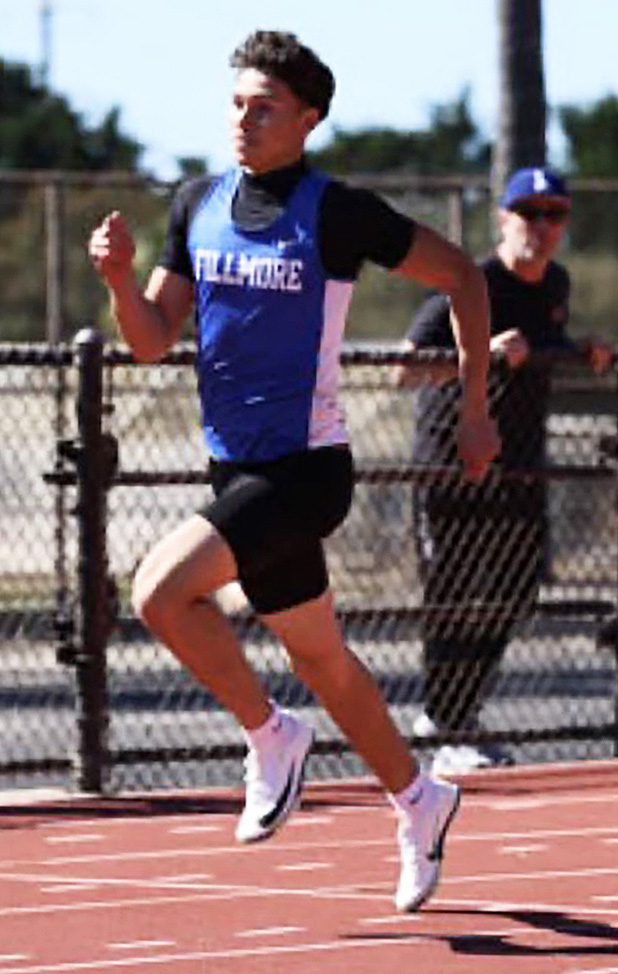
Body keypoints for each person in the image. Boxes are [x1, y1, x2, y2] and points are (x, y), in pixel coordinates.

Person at [88, 30, 499, 913]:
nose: (245, 118)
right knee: (324, 659)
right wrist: (121, 280)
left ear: (307, 119)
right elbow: (153, 341)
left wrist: (475, 407)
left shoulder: (338, 211)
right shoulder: (196, 202)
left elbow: (463, 276)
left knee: (160, 592)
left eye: (265, 105)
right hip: (236, 475)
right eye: (237, 103)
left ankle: (270, 735)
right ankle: (421, 800)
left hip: (307, 470)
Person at [398, 166, 611, 776]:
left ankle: (457, 714)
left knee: (517, 589)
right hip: (453, 466)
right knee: (453, 596)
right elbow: (405, 368)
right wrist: (481, 354)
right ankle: (447, 721)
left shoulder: (555, 285)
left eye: (554, 215)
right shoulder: (468, 283)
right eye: (528, 213)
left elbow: (547, 342)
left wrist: (580, 350)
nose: (540, 228)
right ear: (503, 219)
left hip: (520, 470)